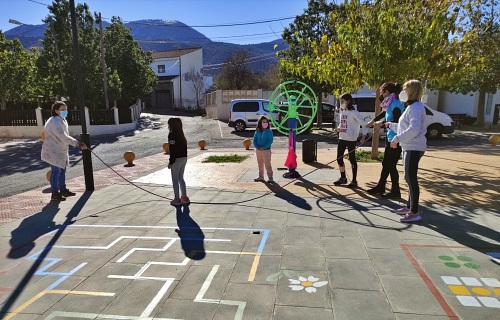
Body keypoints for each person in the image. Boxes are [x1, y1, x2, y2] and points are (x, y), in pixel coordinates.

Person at [386, 80, 427, 223]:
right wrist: (391, 125)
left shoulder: (416, 107)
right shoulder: (411, 107)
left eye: (405, 88)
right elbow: (405, 127)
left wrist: (396, 139)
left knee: (411, 178)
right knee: (409, 178)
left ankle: (414, 212)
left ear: (412, 90)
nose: (403, 91)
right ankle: (410, 206)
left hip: (413, 147)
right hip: (409, 146)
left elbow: (414, 129)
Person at [41, 101, 87, 201]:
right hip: (53, 150)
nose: (65, 111)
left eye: (66, 109)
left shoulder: (62, 120)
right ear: (56, 111)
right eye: (62, 110)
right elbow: (63, 137)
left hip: (60, 149)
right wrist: (78, 144)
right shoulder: (53, 122)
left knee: (62, 170)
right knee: (56, 171)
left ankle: (63, 190)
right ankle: (54, 193)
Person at [366, 83, 404, 198]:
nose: (381, 94)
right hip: (390, 138)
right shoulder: (391, 103)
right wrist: (373, 121)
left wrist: (381, 123)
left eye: (382, 91)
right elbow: (384, 113)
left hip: (396, 140)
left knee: (391, 165)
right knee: (386, 163)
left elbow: (397, 122)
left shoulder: (396, 104)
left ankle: (395, 191)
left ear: (387, 92)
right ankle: (381, 186)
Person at [334, 93, 367, 188]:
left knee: (352, 159)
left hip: (351, 139)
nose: (341, 103)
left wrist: (364, 135)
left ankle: (354, 180)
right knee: (339, 158)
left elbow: (364, 123)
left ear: (348, 101)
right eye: (340, 102)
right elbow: (342, 123)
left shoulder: (354, 112)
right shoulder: (342, 111)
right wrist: (338, 128)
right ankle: (343, 177)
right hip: (342, 137)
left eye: (342, 101)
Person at [167, 117, 189, 206]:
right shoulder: (182, 135)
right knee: (181, 178)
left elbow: (172, 150)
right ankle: (184, 197)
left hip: (177, 160)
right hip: (184, 158)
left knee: (175, 179)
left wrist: (171, 162)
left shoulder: (171, 135)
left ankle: (177, 199)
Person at [253, 115, 274, 183]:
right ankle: (261, 176)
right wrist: (257, 147)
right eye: (263, 122)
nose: (265, 123)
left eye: (266, 122)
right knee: (260, 164)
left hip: (266, 150)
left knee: (267, 163)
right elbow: (254, 140)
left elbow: (270, 141)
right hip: (258, 150)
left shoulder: (269, 131)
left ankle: (270, 177)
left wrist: (263, 147)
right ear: (260, 123)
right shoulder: (257, 131)